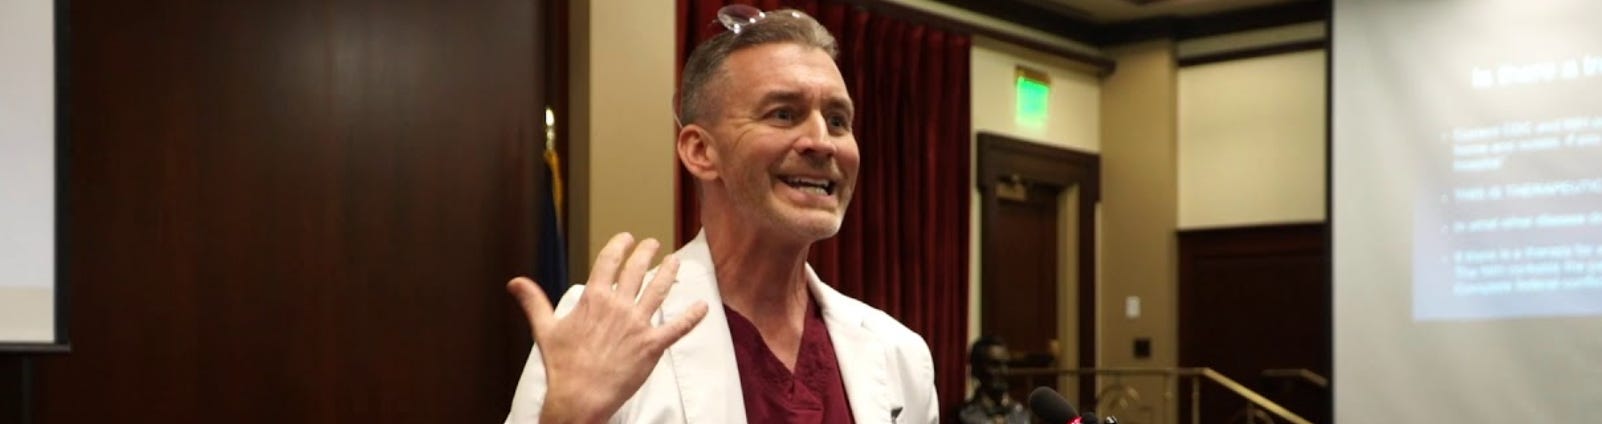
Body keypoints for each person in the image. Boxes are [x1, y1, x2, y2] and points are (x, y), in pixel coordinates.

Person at [503, 7, 938, 423]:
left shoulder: (898, 354)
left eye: (838, 121)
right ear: (700, 151)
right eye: (784, 114)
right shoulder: (600, 330)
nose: (822, 142)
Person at [957, 337, 1029, 424]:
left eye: (1006, 364)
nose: (1004, 371)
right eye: (995, 365)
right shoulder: (964, 416)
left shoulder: (1023, 416)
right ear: (976, 370)